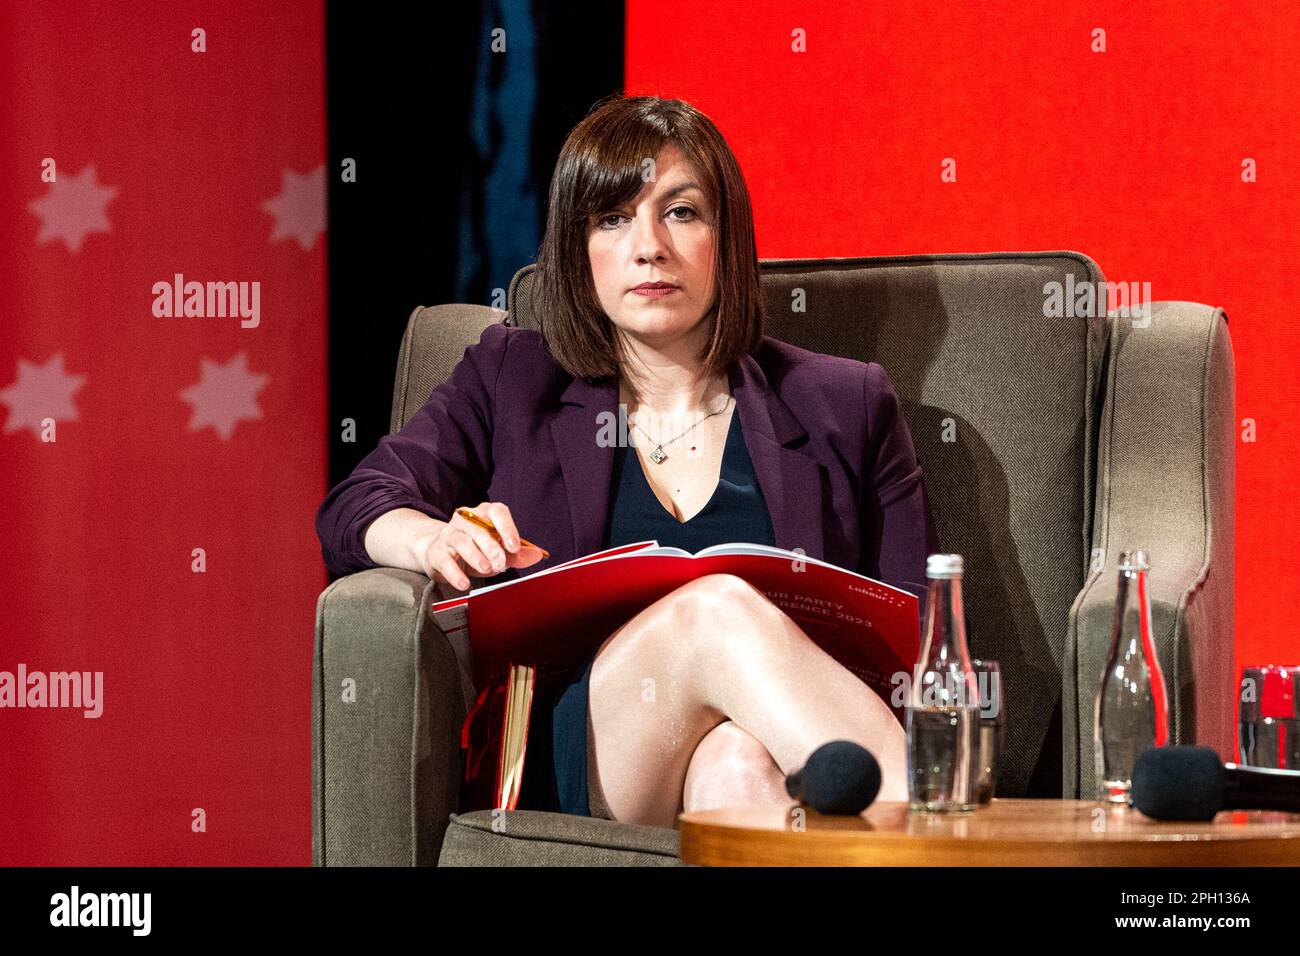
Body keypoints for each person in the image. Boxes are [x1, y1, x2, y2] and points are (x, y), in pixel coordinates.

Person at [315, 94, 938, 830]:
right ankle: (927, 832)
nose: (649, 247)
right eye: (612, 218)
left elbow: (919, 641)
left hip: (789, 759)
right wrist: (431, 539)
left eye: (681, 212)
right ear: (579, 250)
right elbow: (354, 506)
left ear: (725, 238)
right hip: (581, 750)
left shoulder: (844, 402)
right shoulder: (513, 376)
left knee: (734, 767)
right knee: (715, 609)